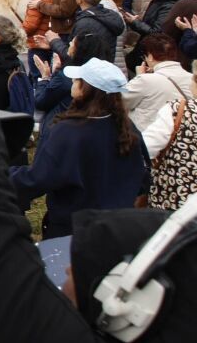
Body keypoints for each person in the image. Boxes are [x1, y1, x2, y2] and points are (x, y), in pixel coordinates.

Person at [9, 57, 149, 238]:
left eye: (77, 80)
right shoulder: (126, 126)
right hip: (117, 226)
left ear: (88, 88)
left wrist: (2, 175)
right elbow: (143, 175)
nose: (73, 83)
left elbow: (40, 177)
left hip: (74, 228)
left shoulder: (69, 131)